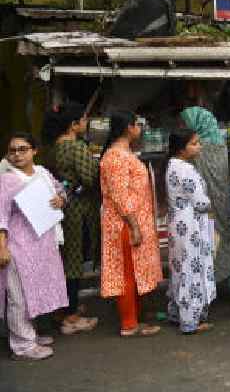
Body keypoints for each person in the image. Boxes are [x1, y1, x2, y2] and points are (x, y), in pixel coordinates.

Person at [0, 133, 68, 360]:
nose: (17, 154)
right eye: (12, 150)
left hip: (42, 245)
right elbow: (0, 217)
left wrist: (61, 199)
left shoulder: (43, 174)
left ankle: (31, 334)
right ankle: (22, 346)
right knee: (18, 296)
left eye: (22, 149)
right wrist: (2, 248)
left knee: (34, 292)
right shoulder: (7, 180)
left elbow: (60, 192)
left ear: (34, 151)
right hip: (18, 246)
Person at [180, 106, 230, 313]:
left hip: (202, 209)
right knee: (226, 241)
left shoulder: (193, 148)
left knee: (204, 247)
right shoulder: (219, 144)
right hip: (220, 204)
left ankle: (200, 300)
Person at [99, 111, 163, 337]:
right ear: (129, 127)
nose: (140, 128)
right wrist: (134, 226)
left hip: (133, 221)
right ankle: (129, 324)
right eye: (138, 124)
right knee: (126, 273)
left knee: (133, 272)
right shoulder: (116, 157)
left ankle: (133, 320)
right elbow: (120, 196)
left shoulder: (123, 154)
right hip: (124, 224)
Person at [43, 102, 100, 335]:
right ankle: (71, 317)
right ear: (73, 125)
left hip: (62, 209)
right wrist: (96, 163)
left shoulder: (53, 147)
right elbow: (90, 178)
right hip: (78, 209)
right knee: (75, 261)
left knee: (66, 258)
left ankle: (64, 307)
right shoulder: (76, 147)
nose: (86, 124)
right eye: (83, 120)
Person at [165, 129, 216, 335]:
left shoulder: (171, 165)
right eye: (194, 143)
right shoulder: (185, 169)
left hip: (178, 224)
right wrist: (210, 203)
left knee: (180, 268)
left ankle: (177, 312)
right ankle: (190, 320)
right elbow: (201, 202)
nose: (199, 146)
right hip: (191, 226)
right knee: (192, 270)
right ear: (181, 148)